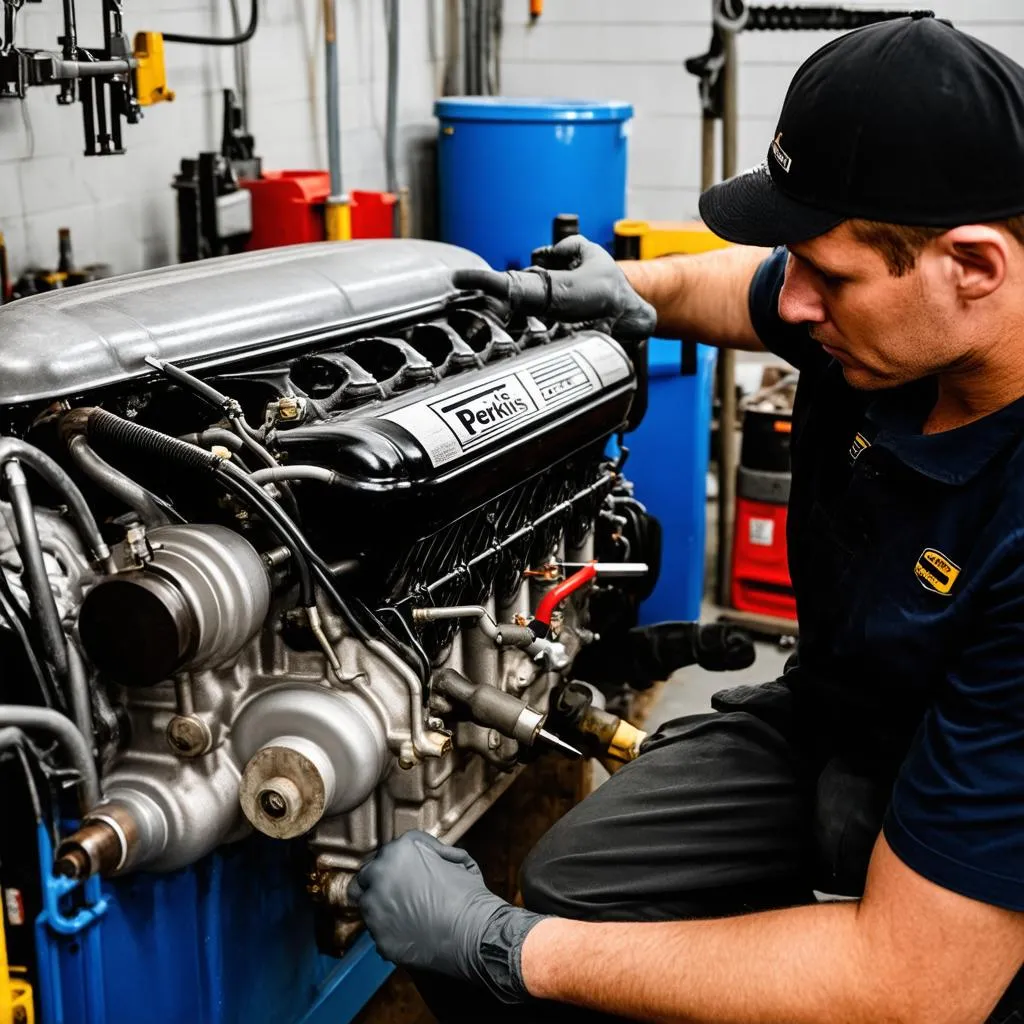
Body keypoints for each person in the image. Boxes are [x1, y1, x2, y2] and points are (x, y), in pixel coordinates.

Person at [350, 15, 1024, 1023]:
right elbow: (734, 292)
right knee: (581, 880)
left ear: (973, 268)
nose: (791, 303)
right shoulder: (905, 324)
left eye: (826, 275)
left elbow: (917, 986)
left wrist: (501, 949)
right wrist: (624, 292)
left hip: (959, 849)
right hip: (842, 711)